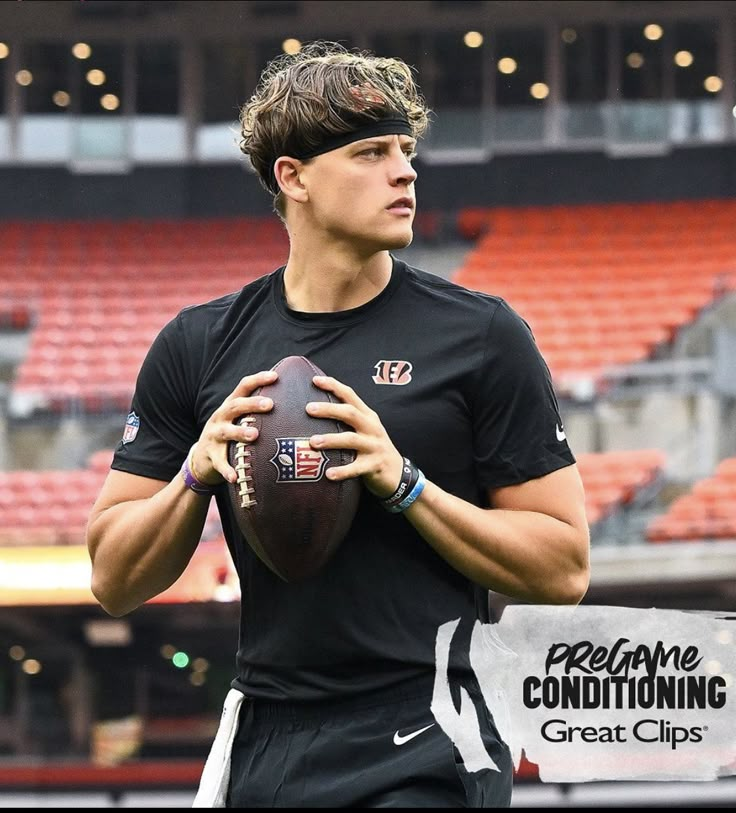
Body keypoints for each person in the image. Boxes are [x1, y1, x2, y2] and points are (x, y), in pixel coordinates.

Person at [86, 41, 590, 808]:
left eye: (406, 150)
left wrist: (406, 484)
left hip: (431, 722)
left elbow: (563, 568)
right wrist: (197, 469)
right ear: (294, 178)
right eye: (371, 152)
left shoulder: (483, 336)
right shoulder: (197, 346)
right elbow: (114, 578)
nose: (406, 171)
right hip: (271, 728)